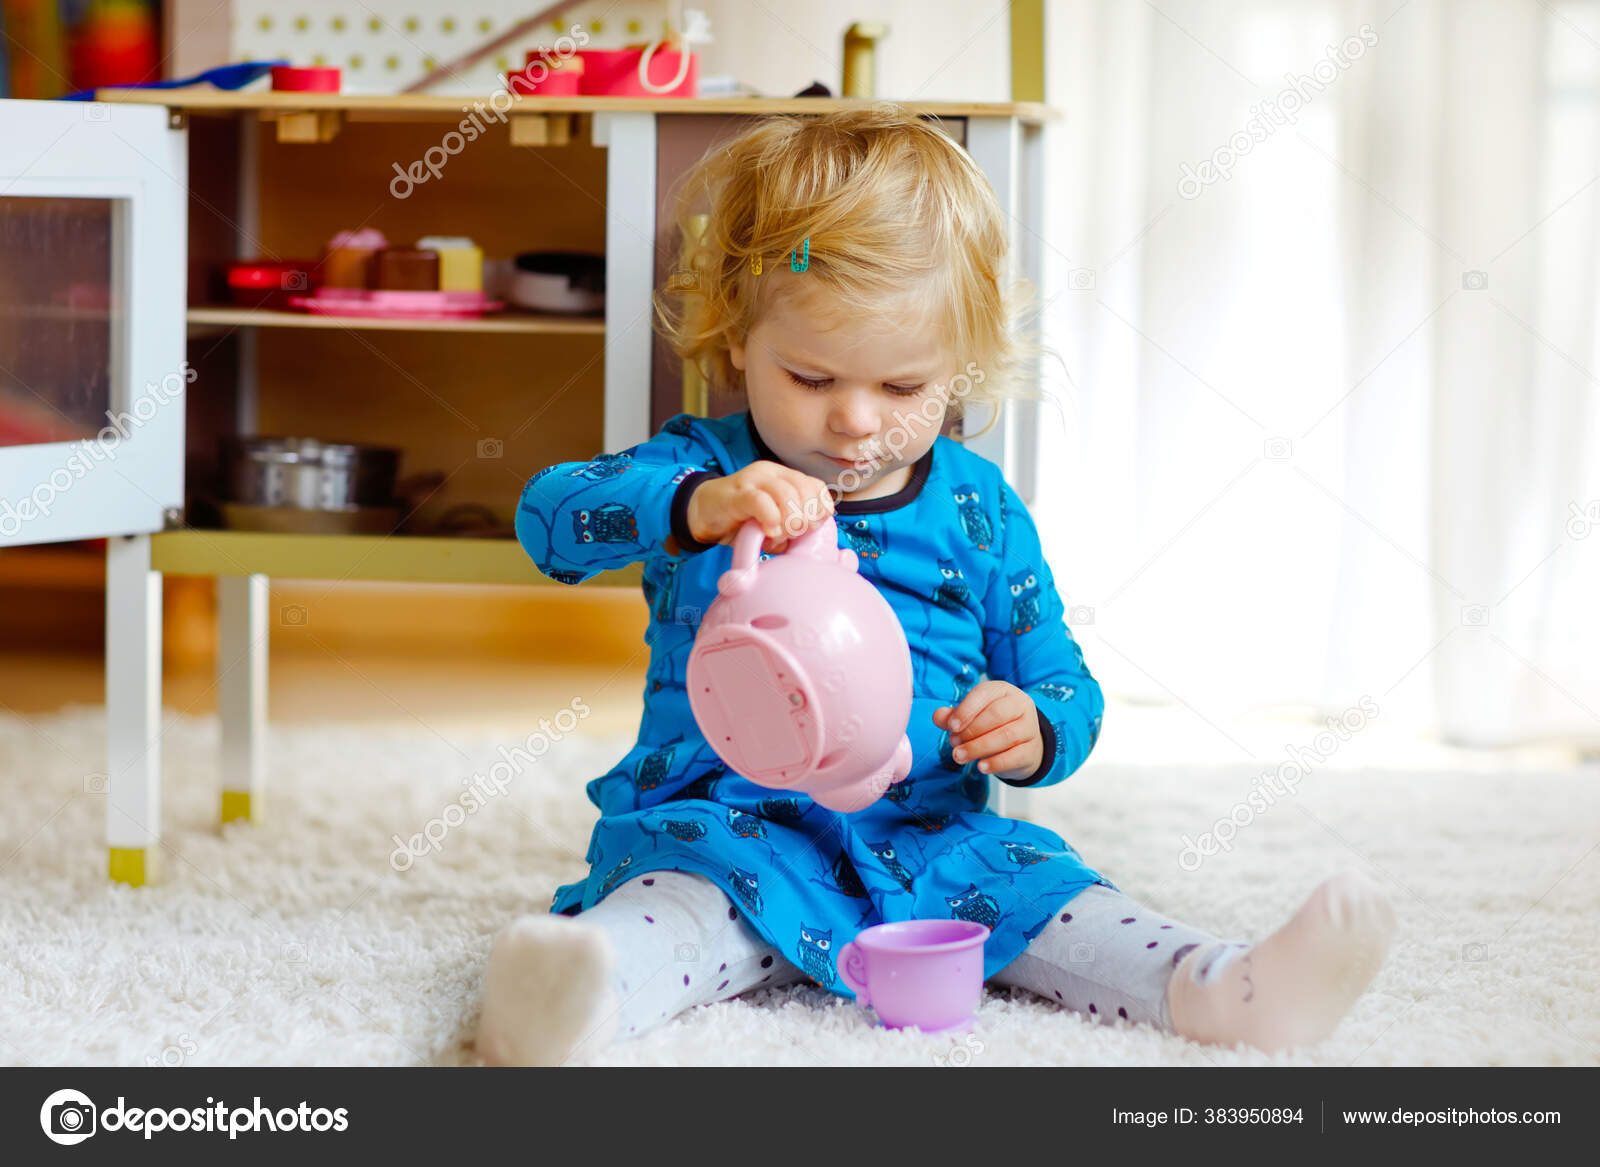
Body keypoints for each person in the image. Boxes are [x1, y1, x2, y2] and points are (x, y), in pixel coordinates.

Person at [476, 104, 1394, 1066]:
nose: (855, 421)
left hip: (932, 837)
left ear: (960, 369)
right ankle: (570, 997)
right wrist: (696, 504)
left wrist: (1031, 728)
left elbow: (1064, 684)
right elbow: (549, 516)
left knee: (1057, 893)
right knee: (677, 913)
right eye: (811, 376)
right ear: (738, 337)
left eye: (905, 388)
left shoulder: (980, 510)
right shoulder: (701, 466)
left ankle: (1221, 986)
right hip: (729, 824)